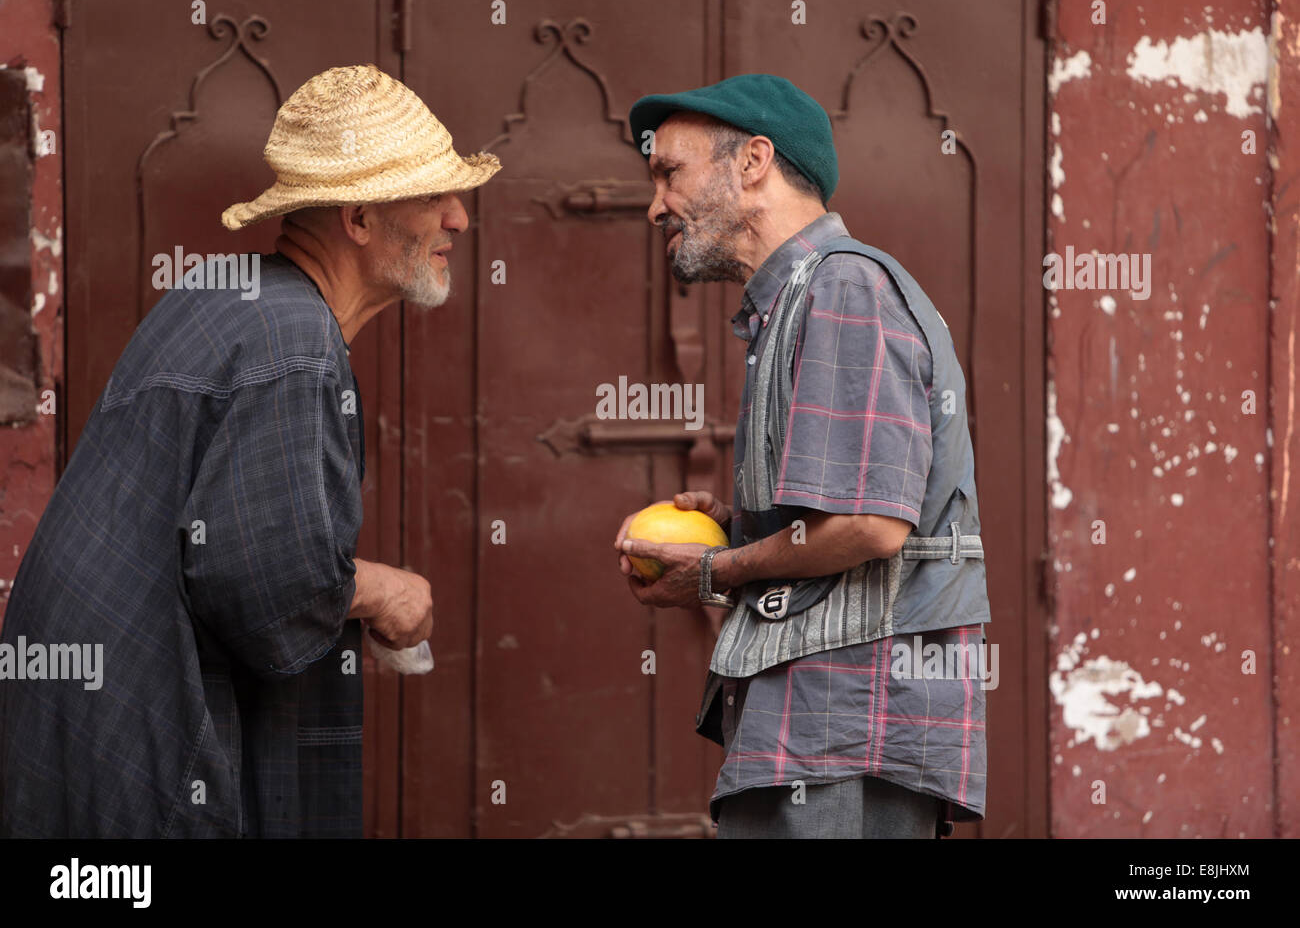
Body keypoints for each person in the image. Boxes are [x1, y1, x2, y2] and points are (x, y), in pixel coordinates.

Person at [0, 64, 499, 836]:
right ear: (360, 217)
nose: (459, 220)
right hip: (142, 755)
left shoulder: (232, 293)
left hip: (91, 736)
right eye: (433, 195)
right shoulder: (291, 338)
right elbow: (270, 589)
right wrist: (382, 591)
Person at [615, 74, 991, 838]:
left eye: (669, 173)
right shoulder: (800, 299)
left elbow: (870, 527)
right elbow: (845, 518)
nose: (656, 205)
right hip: (823, 725)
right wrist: (737, 529)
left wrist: (715, 571)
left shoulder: (844, 290)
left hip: (849, 725)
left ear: (753, 162)